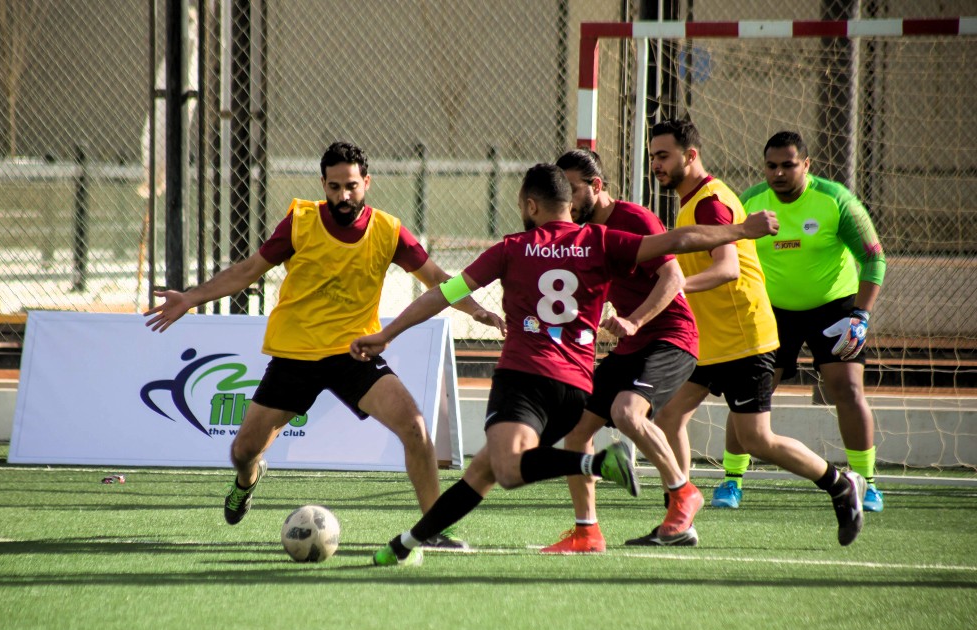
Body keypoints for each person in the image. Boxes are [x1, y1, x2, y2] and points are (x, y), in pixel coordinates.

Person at [351, 163, 780, 566]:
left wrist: (387, 334)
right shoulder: (600, 241)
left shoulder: (512, 248)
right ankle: (405, 544)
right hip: (575, 388)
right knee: (484, 470)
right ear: (569, 204)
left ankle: (595, 464)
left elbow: (442, 294)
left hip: (523, 378)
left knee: (507, 469)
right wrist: (742, 230)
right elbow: (678, 241)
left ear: (530, 205)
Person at [144, 141, 504, 549]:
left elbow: (437, 278)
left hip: (354, 353)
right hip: (295, 356)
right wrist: (190, 298)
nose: (343, 196)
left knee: (415, 427)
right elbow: (249, 270)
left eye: (351, 186)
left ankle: (433, 529)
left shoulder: (388, 231)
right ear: (323, 184)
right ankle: (248, 479)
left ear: (367, 183)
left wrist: (475, 310)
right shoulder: (300, 222)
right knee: (243, 451)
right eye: (334, 187)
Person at [635, 119, 867, 548]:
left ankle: (841, 483)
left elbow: (726, 269)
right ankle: (679, 518)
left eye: (663, 156)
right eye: (653, 157)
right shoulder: (692, 202)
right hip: (710, 339)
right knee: (668, 417)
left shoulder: (711, 203)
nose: (656, 165)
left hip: (743, 338)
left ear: (690, 155)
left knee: (756, 440)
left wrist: (673, 290)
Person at [716, 131, 886, 512]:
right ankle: (731, 481)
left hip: (834, 308)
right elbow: (726, 254)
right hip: (771, 310)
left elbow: (874, 258)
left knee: (848, 389)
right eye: (771, 166)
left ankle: (867, 483)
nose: (778, 173)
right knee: (750, 393)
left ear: (806, 165)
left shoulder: (836, 200)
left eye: (788, 165)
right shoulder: (749, 203)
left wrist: (860, 316)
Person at [540, 149, 699, 554]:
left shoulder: (635, 219)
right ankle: (587, 531)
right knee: (576, 429)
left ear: (596, 186)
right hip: (633, 345)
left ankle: (683, 493)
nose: (566, 200)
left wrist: (635, 321)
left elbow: (673, 277)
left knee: (626, 413)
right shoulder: (580, 234)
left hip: (671, 337)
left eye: (572, 189)